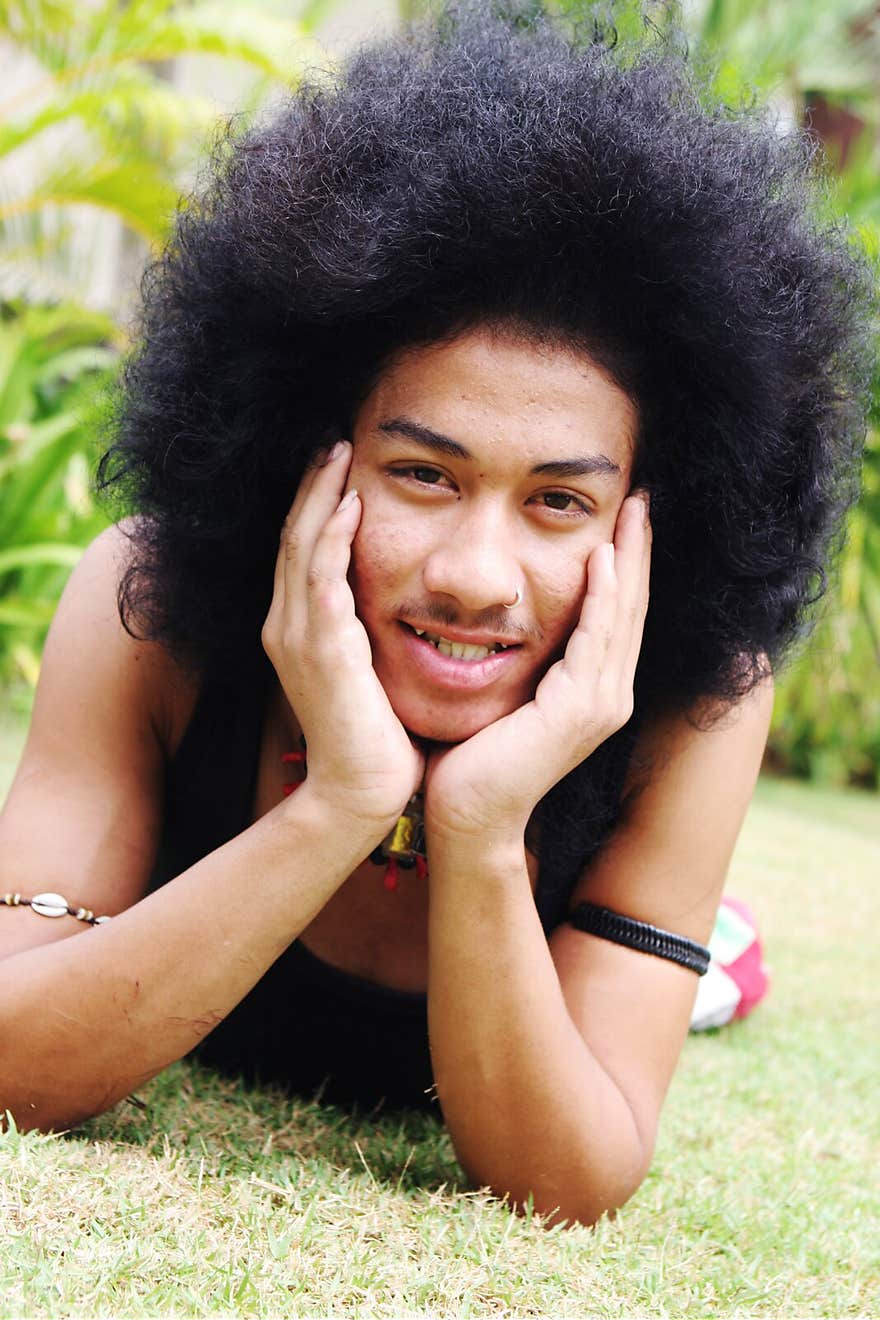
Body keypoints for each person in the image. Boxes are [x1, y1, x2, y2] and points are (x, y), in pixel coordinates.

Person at [0, 0, 872, 1227]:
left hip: (573, 910)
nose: (475, 572)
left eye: (560, 500)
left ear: (649, 524)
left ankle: (714, 952)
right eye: (423, 473)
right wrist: (341, 803)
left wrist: (475, 826)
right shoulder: (153, 615)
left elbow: (569, 1179)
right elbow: (9, 1061)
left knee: (709, 972)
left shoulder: (694, 700)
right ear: (310, 457)